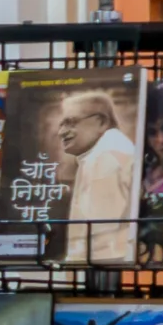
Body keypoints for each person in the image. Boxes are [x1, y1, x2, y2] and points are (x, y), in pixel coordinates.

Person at [57, 89, 139, 265]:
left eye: (71, 122)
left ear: (101, 122)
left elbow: (101, 237)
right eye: (61, 124)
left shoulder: (105, 156)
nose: (62, 132)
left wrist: (74, 264)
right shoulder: (108, 149)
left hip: (105, 264)